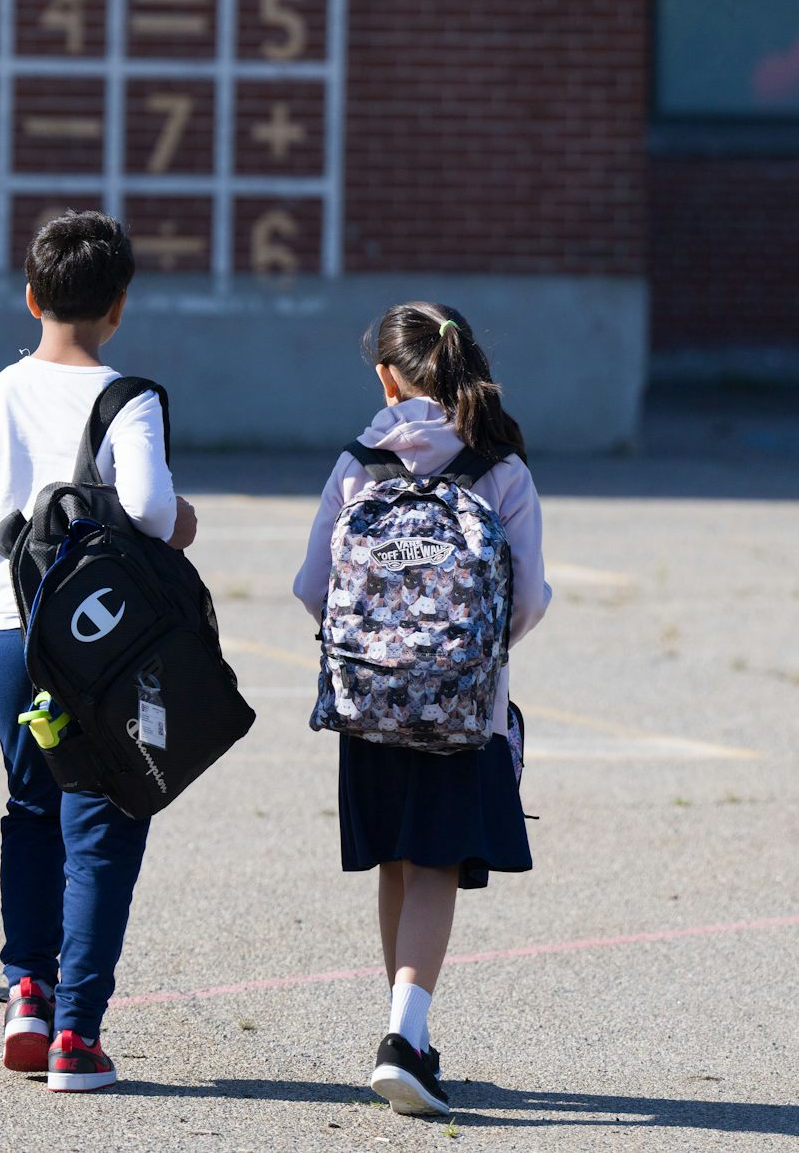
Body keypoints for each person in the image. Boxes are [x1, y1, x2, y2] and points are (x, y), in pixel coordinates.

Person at [0, 211, 199, 1093]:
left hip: (9, 646)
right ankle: (78, 1034)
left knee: (31, 812)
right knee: (104, 826)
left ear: (31, 298)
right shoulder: (129, 398)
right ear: (118, 308)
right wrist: (180, 522)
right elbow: (150, 508)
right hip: (104, 650)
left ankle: (26, 993)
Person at [291, 303, 551, 1118]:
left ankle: (409, 1030)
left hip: (369, 700)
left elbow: (311, 589)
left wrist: (385, 647)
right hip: (463, 705)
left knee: (399, 860)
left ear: (386, 376)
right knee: (437, 859)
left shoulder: (359, 463)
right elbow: (529, 601)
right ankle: (406, 1036)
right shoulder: (500, 465)